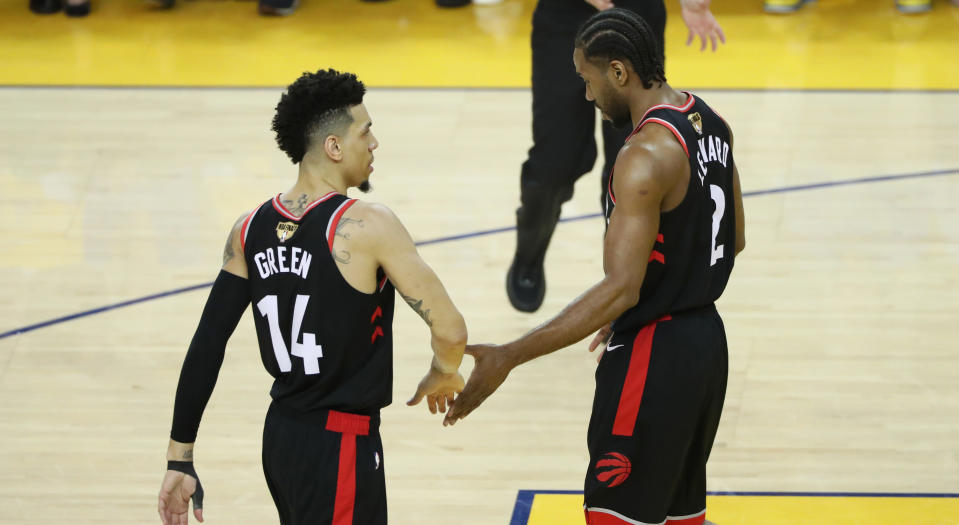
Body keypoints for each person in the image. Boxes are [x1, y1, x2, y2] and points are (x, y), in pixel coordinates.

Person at [447, 9, 745, 525]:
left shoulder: (642, 155)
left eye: (587, 79)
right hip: (708, 351)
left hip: (654, 354)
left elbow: (620, 289)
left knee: (615, 517)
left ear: (619, 72)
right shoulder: (712, 123)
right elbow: (732, 240)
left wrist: (509, 355)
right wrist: (659, 288)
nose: (586, 95)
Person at [157, 69, 468, 525]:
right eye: (366, 132)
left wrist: (179, 459)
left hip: (281, 437)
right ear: (334, 147)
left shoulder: (248, 229)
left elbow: (207, 344)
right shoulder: (367, 225)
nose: (375, 143)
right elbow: (451, 329)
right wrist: (444, 371)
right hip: (340, 444)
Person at [507, 0, 724, 313]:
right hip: (565, 17)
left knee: (633, 162)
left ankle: (626, 289)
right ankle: (530, 246)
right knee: (556, 160)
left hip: (635, 16)